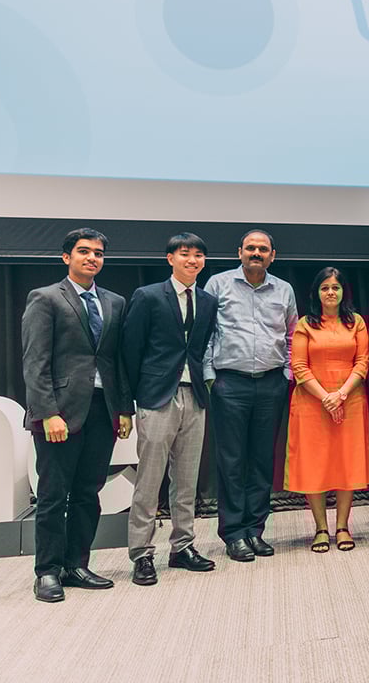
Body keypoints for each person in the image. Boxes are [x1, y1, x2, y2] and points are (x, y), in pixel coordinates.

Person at [21, 228, 133, 602]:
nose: (92, 258)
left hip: (103, 410)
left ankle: (76, 565)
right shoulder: (46, 298)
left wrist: (124, 408)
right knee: (53, 495)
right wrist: (47, 412)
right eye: (84, 251)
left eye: (98, 253)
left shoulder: (115, 302)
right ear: (66, 257)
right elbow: (34, 362)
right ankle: (47, 572)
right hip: (60, 413)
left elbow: (118, 360)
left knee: (88, 492)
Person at [122, 232, 218, 585]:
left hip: (195, 396)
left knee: (187, 479)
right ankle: (142, 554)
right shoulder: (148, 296)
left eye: (198, 255)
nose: (192, 260)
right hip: (157, 396)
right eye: (185, 254)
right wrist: (133, 399)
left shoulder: (207, 301)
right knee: (149, 480)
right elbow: (130, 350)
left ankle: (183, 547)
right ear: (170, 259)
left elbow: (200, 348)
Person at [204, 229, 298, 562]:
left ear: (273, 255)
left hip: (271, 384)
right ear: (239, 252)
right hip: (229, 383)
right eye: (250, 248)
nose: (256, 253)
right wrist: (210, 377)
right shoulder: (217, 285)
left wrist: (286, 375)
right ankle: (233, 534)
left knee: (261, 460)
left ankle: (255, 530)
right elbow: (206, 333)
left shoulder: (284, 289)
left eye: (263, 249)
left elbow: (292, 335)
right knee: (231, 461)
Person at [285, 268, 369, 553]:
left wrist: (341, 395)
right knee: (315, 464)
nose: (331, 292)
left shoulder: (356, 322)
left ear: (344, 291)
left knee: (347, 462)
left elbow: (362, 362)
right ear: (316, 293)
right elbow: (299, 366)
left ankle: (343, 526)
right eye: (325, 288)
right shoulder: (305, 324)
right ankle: (321, 528)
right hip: (312, 402)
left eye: (336, 287)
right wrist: (327, 398)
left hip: (351, 399)